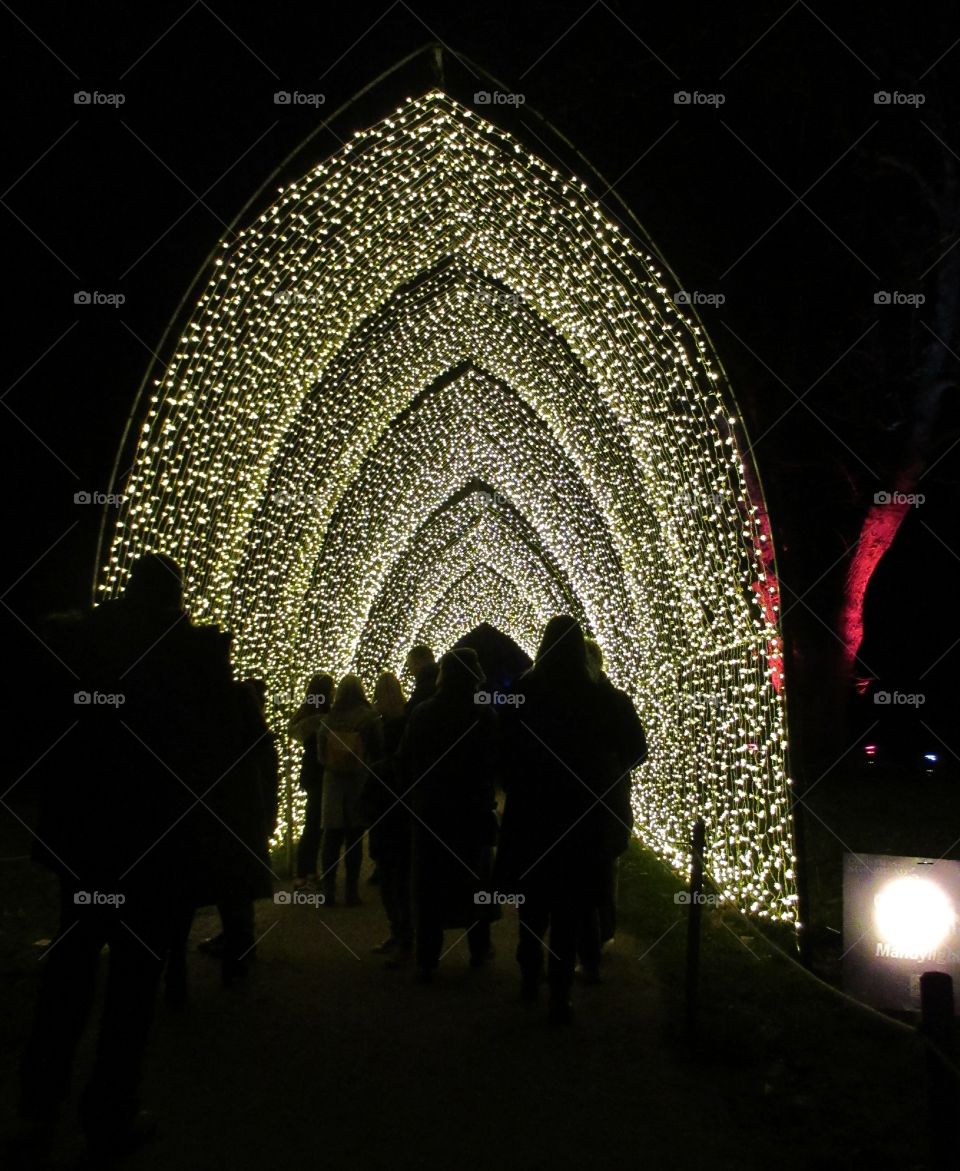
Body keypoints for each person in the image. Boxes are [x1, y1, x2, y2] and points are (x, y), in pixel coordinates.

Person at [19, 553, 240, 1155]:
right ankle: (108, 1111)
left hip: (85, 837)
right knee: (131, 984)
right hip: (155, 843)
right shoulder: (190, 655)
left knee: (72, 962)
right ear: (174, 598)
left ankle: (38, 1103)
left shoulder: (80, 642)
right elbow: (215, 746)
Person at [496, 615, 628, 1023]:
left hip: (532, 814)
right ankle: (560, 993)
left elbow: (501, 750)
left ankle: (529, 973)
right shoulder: (600, 697)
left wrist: (517, 780)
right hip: (580, 816)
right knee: (569, 906)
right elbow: (635, 748)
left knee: (533, 901)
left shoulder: (523, 691)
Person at [399, 648, 499, 982]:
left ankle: (428, 957)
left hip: (433, 811)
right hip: (471, 811)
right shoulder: (483, 715)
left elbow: (407, 758)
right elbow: (493, 764)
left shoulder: (425, 713)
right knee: (473, 880)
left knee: (430, 884)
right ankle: (479, 949)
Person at [577, 639, 648, 980]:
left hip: (603, 801)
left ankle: (597, 940)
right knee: (599, 870)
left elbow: (638, 749)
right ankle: (596, 940)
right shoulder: (608, 700)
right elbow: (637, 750)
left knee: (601, 869)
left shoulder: (609, 702)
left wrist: (613, 768)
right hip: (604, 799)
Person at [317, 675, 382, 906]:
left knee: (331, 838)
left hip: (333, 783)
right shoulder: (369, 717)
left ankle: (328, 890)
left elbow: (320, 755)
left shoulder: (329, 719)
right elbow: (378, 750)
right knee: (354, 838)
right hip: (358, 780)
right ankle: (351, 892)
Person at [362, 671, 412, 960]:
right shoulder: (410, 719)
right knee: (403, 875)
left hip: (384, 805)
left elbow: (368, 761)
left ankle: (400, 933)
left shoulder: (375, 725)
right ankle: (406, 935)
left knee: (391, 875)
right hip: (404, 806)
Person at [289, 673, 334, 889]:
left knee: (313, 823)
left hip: (312, 773)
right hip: (324, 772)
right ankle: (308, 870)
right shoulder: (327, 714)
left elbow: (295, 732)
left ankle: (307, 871)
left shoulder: (306, 713)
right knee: (317, 823)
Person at [403, 644, 438, 713]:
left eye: (410, 666)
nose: (411, 672)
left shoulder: (424, 686)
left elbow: (411, 710)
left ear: (417, 663)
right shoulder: (445, 676)